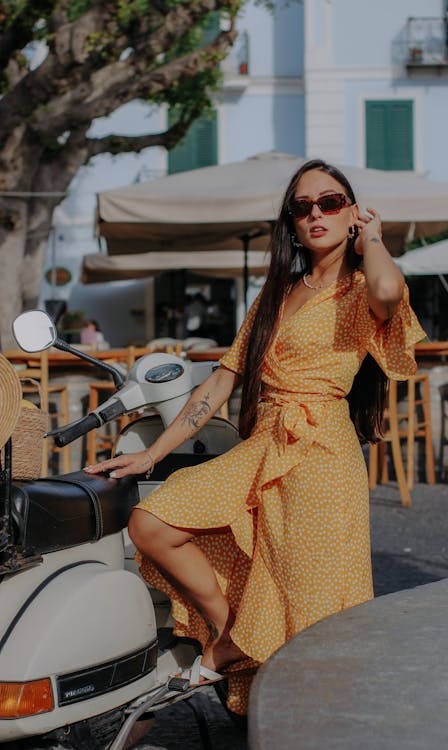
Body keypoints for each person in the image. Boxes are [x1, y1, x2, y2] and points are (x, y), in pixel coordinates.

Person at [84, 159, 426, 716]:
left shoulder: (363, 287)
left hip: (320, 452)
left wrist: (375, 240)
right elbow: (220, 382)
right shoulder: (277, 293)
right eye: (302, 206)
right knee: (152, 522)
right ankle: (233, 636)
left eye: (331, 203)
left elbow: (391, 288)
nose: (316, 213)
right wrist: (149, 453)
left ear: (352, 213)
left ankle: (305, 716)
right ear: (290, 222)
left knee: (308, 595)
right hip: (265, 441)